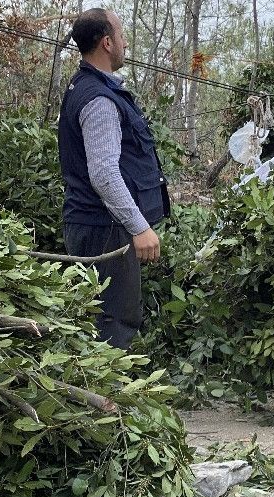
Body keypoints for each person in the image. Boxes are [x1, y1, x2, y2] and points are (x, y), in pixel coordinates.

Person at [58, 8, 170, 348]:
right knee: (113, 324)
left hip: (92, 225)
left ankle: (96, 380)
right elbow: (104, 174)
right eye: (121, 36)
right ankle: (105, 384)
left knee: (96, 318)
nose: (125, 43)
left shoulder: (85, 87)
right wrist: (139, 227)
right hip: (103, 229)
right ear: (107, 43)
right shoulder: (99, 100)